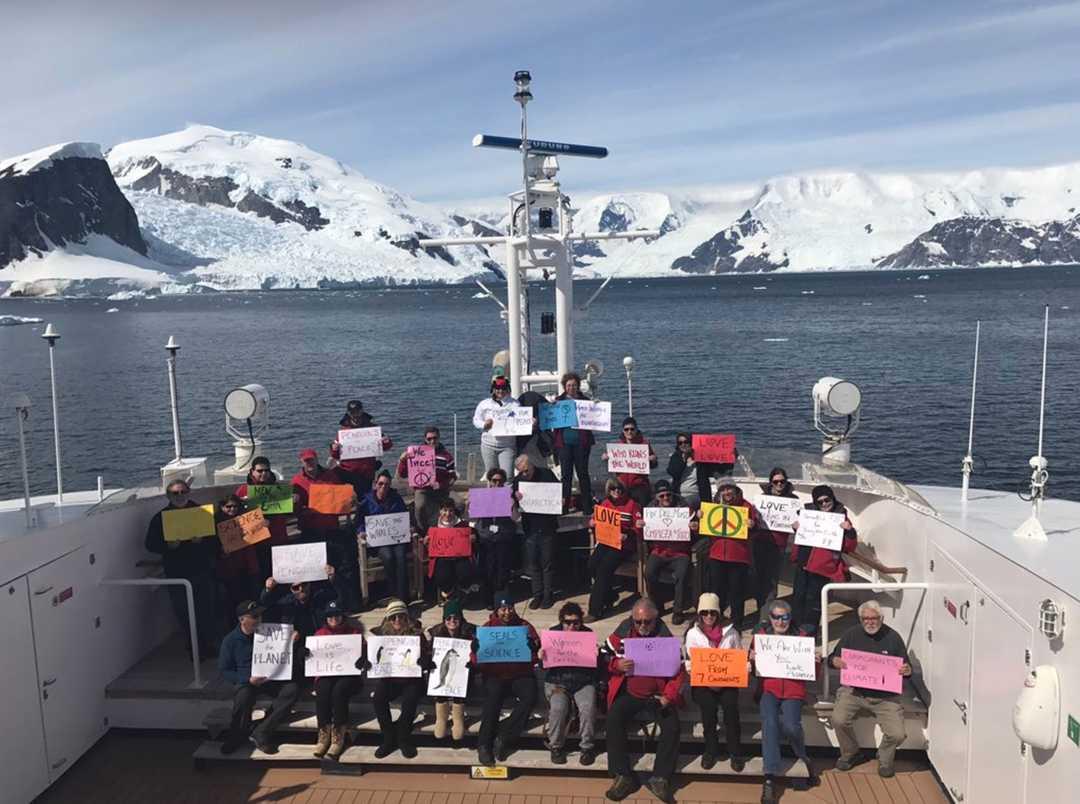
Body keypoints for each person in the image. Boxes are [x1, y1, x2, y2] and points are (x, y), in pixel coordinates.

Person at [602, 598, 684, 804]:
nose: (642, 626)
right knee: (613, 718)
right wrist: (616, 664)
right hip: (630, 693)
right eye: (638, 621)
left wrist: (668, 696)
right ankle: (622, 775)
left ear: (656, 619)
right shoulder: (622, 633)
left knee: (673, 726)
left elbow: (680, 671)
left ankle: (661, 777)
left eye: (647, 621)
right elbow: (603, 655)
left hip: (658, 696)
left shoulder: (666, 638)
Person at [829, 600, 911, 778]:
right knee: (838, 719)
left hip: (885, 697)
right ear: (860, 619)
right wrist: (835, 661)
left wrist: (906, 670)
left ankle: (884, 758)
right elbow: (832, 657)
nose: (869, 622)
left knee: (898, 734)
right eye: (865, 618)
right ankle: (851, 753)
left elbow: (907, 667)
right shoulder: (851, 634)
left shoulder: (893, 637)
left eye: (873, 618)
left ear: (881, 618)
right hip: (854, 692)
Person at [750, 599, 817, 803]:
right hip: (768, 690)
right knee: (769, 722)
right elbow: (752, 670)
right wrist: (750, 658)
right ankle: (769, 777)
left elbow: (812, 672)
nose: (780, 621)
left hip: (793, 691)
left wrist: (816, 662)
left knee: (791, 726)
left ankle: (802, 755)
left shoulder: (802, 637)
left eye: (785, 617)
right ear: (770, 618)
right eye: (776, 617)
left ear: (790, 618)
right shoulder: (761, 636)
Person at [145, 479, 220, 659]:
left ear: (189, 492)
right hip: (177, 572)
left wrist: (203, 541)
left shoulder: (202, 513)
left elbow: (216, 542)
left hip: (201, 569)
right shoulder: (160, 518)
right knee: (184, 612)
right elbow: (150, 544)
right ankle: (193, 648)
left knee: (206, 609)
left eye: (182, 492)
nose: (180, 496)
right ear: (168, 496)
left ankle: (208, 645)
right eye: (175, 493)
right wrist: (167, 546)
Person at [217, 601, 303, 755]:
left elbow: (283, 651)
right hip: (248, 680)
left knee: (292, 690)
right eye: (254, 616)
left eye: (260, 615)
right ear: (242, 619)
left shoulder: (270, 632)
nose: (259, 619)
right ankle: (236, 735)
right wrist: (247, 679)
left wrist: (292, 640)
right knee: (243, 696)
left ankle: (261, 731)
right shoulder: (230, 641)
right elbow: (224, 670)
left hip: (271, 678)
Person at [291, 449, 360, 611]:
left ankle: (349, 604)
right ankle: (320, 605)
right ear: (301, 462)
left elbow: (342, 500)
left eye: (311, 460)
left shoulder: (330, 476)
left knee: (342, 567)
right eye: (306, 461)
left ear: (316, 459)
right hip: (310, 530)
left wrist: (350, 498)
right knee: (315, 571)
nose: (309, 464)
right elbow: (294, 510)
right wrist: (300, 507)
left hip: (331, 528)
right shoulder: (296, 481)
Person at [683, 593, 746, 771]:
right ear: (699, 614)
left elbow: (738, 656)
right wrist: (703, 675)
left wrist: (743, 667)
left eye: (712, 612)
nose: (709, 616)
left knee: (731, 709)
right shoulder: (692, 634)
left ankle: (735, 751)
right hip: (703, 683)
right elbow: (689, 662)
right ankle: (711, 750)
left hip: (727, 682)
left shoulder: (731, 633)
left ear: (718, 613)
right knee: (708, 710)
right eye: (705, 612)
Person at [476, 592, 541, 766]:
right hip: (495, 674)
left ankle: (504, 736)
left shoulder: (524, 626)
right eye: (503, 608)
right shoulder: (488, 628)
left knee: (530, 696)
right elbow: (476, 659)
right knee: (492, 699)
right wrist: (476, 651)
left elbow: (535, 652)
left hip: (519, 673)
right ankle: (483, 744)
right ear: (497, 610)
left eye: (509, 608)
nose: (507, 612)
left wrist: (532, 647)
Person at [790, 484, 858, 632]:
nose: (824, 504)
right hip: (803, 563)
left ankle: (809, 634)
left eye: (827, 500)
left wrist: (849, 531)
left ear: (832, 498)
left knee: (814, 602)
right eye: (820, 502)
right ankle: (794, 632)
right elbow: (801, 534)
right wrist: (796, 528)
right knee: (798, 598)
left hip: (822, 568)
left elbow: (849, 547)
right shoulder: (807, 514)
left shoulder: (841, 517)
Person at [369, 599, 431, 758]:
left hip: (412, 679)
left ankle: (404, 738)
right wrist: (367, 661)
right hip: (390, 678)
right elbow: (373, 656)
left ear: (407, 618)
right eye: (393, 617)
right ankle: (388, 737)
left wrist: (424, 660)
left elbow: (427, 655)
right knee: (378, 698)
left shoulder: (417, 635)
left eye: (401, 617)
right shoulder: (381, 635)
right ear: (388, 619)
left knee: (410, 700)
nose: (397, 620)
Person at [539, 602, 598, 765]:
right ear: (561, 621)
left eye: (576, 622)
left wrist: (596, 655)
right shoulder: (553, 635)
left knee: (587, 707)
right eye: (567, 622)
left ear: (581, 622)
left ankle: (587, 747)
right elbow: (544, 667)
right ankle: (556, 746)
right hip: (558, 681)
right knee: (558, 708)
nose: (572, 626)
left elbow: (595, 666)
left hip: (583, 681)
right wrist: (541, 657)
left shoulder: (588, 634)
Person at [309, 599, 364, 760]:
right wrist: (306, 653)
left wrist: (363, 656)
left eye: (337, 615)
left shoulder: (353, 634)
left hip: (348, 676)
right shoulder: (319, 634)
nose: (334, 618)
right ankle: (323, 733)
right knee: (322, 689)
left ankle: (338, 735)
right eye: (330, 616)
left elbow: (365, 653)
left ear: (342, 616)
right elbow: (313, 655)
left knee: (339, 691)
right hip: (327, 673)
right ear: (326, 618)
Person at [706, 481, 764, 632]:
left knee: (737, 591)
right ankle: (716, 621)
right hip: (716, 554)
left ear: (735, 490)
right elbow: (703, 527)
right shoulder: (712, 506)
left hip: (738, 556)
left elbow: (756, 529)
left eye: (729, 488)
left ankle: (737, 623)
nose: (726, 492)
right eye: (723, 489)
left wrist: (753, 525)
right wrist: (699, 517)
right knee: (717, 591)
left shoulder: (746, 506)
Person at [586, 478, 644, 623]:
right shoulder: (605, 504)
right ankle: (609, 595)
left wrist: (628, 534)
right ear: (609, 491)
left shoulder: (632, 505)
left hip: (624, 545)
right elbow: (595, 521)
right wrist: (592, 523)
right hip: (607, 541)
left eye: (619, 489)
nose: (616, 492)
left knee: (604, 569)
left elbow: (639, 527)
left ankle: (595, 610)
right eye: (613, 489)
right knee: (592, 565)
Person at [644, 479, 699, 625]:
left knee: (682, 575)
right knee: (649, 572)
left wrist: (695, 527)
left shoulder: (684, 508)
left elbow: (696, 533)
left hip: (680, 552)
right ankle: (657, 605)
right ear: (656, 497)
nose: (666, 498)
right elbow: (643, 533)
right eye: (661, 496)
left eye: (668, 495)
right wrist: (640, 526)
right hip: (659, 551)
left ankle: (678, 611)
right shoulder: (650, 510)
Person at [356, 469, 412, 604]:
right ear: (375, 484)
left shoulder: (396, 498)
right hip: (378, 541)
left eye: (386, 484)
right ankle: (393, 593)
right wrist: (362, 531)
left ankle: (404, 597)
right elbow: (359, 521)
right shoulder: (366, 501)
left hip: (397, 538)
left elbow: (404, 516)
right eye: (380, 484)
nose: (383, 487)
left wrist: (408, 527)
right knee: (388, 556)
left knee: (400, 556)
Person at [512, 454, 559, 609]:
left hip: (547, 526)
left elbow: (558, 492)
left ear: (531, 465)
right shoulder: (518, 480)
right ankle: (536, 594)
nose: (525, 474)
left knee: (548, 563)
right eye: (522, 471)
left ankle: (548, 594)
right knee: (533, 563)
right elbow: (512, 501)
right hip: (530, 527)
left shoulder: (546, 473)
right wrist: (515, 497)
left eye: (527, 470)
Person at [426, 598, 477, 741]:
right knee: (441, 685)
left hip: (464, 673)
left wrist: (473, 662)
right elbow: (428, 652)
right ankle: (441, 719)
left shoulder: (470, 632)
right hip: (443, 669)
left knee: (459, 686)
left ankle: (458, 720)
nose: (452, 621)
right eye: (448, 618)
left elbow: (478, 650)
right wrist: (429, 661)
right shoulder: (435, 632)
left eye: (456, 617)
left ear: (461, 619)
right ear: (444, 619)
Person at [236, 456, 293, 579]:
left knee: (282, 574)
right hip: (256, 541)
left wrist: (293, 502)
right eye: (260, 471)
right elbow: (235, 517)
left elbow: (290, 513)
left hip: (278, 538)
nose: (263, 473)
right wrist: (242, 503)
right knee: (261, 575)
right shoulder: (243, 490)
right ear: (252, 471)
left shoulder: (279, 489)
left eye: (266, 470)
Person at [470, 467, 519, 609]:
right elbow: (472, 518)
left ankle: (500, 599)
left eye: (500, 481)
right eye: (494, 481)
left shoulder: (508, 496)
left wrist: (512, 506)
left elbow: (516, 519)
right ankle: (488, 600)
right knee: (486, 570)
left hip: (503, 538)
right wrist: (470, 506)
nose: (497, 484)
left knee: (502, 570)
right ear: (489, 481)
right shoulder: (482, 496)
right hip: (486, 539)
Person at [754, 468, 798, 618]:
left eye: (782, 481)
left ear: (786, 482)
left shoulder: (793, 501)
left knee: (772, 582)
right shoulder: (762, 499)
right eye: (776, 482)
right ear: (771, 483)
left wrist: (797, 525)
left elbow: (799, 524)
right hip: (759, 543)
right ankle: (761, 611)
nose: (779, 484)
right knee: (759, 580)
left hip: (778, 546)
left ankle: (765, 618)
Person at [396, 425, 457, 533]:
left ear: (439, 438)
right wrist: (402, 460)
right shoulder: (416, 453)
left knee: (460, 503)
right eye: (429, 439)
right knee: (419, 506)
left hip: (441, 489)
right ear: (425, 439)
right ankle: (424, 531)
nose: (432, 441)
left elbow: (452, 477)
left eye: (435, 438)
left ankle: (450, 527)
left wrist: (442, 485)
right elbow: (402, 474)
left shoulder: (447, 456)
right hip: (422, 489)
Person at [329, 399, 393, 499]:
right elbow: (335, 455)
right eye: (352, 412)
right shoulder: (343, 431)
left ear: (362, 411)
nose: (356, 415)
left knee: (364, 500)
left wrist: (386, 441)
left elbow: (386, 447)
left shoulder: (372, 429)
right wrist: (334, 449)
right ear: (348, 413)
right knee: (344, 499)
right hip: (348, 472)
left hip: (366, 472)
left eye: (358, 411)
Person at [215, 495, 263, 628]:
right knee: (233, 602)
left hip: (249, 566)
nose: (232, 509)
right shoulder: (216, 524)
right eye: (228, 506)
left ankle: (254, 626)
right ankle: (236, 627)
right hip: (230, 569)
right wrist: (221, 552)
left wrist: (263, 525)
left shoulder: (246, 519)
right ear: (221, 507)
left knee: (252, 598)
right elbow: (212, 547)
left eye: (235, 506)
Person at [551, 372, 594, 514]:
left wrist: (597, 408)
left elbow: (595, 419)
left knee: (583, 474)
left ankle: (588, 507)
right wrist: (551, 408)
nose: (571, 388)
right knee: (566, 476)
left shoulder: (586, 401)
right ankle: (564, 507)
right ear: (564, 386)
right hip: (564, 444)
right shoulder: (558, 401)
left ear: (578, 386)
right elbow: (550, 419)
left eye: (574, 385)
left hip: (581, 443)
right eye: (569, 385)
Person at [425, 499, 475, 604]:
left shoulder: (462, 524)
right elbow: (428, 542)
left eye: (451, 511)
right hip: (442, 557)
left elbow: (472, 536)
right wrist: (427, 540)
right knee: (442, 577)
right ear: (440, 511)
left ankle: (462, 592)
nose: (447, 514)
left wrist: (472, 538)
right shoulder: (434, 524)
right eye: (445, 510)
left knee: (465, 573)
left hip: (460, 556)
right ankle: (449, 594)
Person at [605, 417, 658, 508]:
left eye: (632, 429)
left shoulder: (644, 444)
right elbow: (613, 465)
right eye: (626, 429)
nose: (629, 432)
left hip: (639, 485)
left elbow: (653, 466)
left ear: (636, 430)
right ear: (623, 431)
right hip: (622, 485)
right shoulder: (618, 446)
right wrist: (606, 459)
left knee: (641, 509)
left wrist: (653, 460)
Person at [473, 375, 519, 476]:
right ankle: (492, 492)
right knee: (491, 476)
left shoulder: (515, 404)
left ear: (507, 389)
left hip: (507, 446)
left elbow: (520, 421)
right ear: (493, 389)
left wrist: (530, 423)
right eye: (497, 388)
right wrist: (484, 424)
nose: (500, 391)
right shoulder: (484, 404)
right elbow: (476, 420)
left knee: (507, 477)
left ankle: (507, 492)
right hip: (488, 445)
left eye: (503, 388)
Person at [666, 433, 710, 509]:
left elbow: (718, 469)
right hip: (678, 493)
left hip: (696, 494)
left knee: (686, 503)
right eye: (680, 443)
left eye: (686, 442)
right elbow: (673, 473)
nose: (683, 445)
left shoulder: (701, 458)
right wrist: (683, 460)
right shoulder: (675, 457)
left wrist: (730, 455)